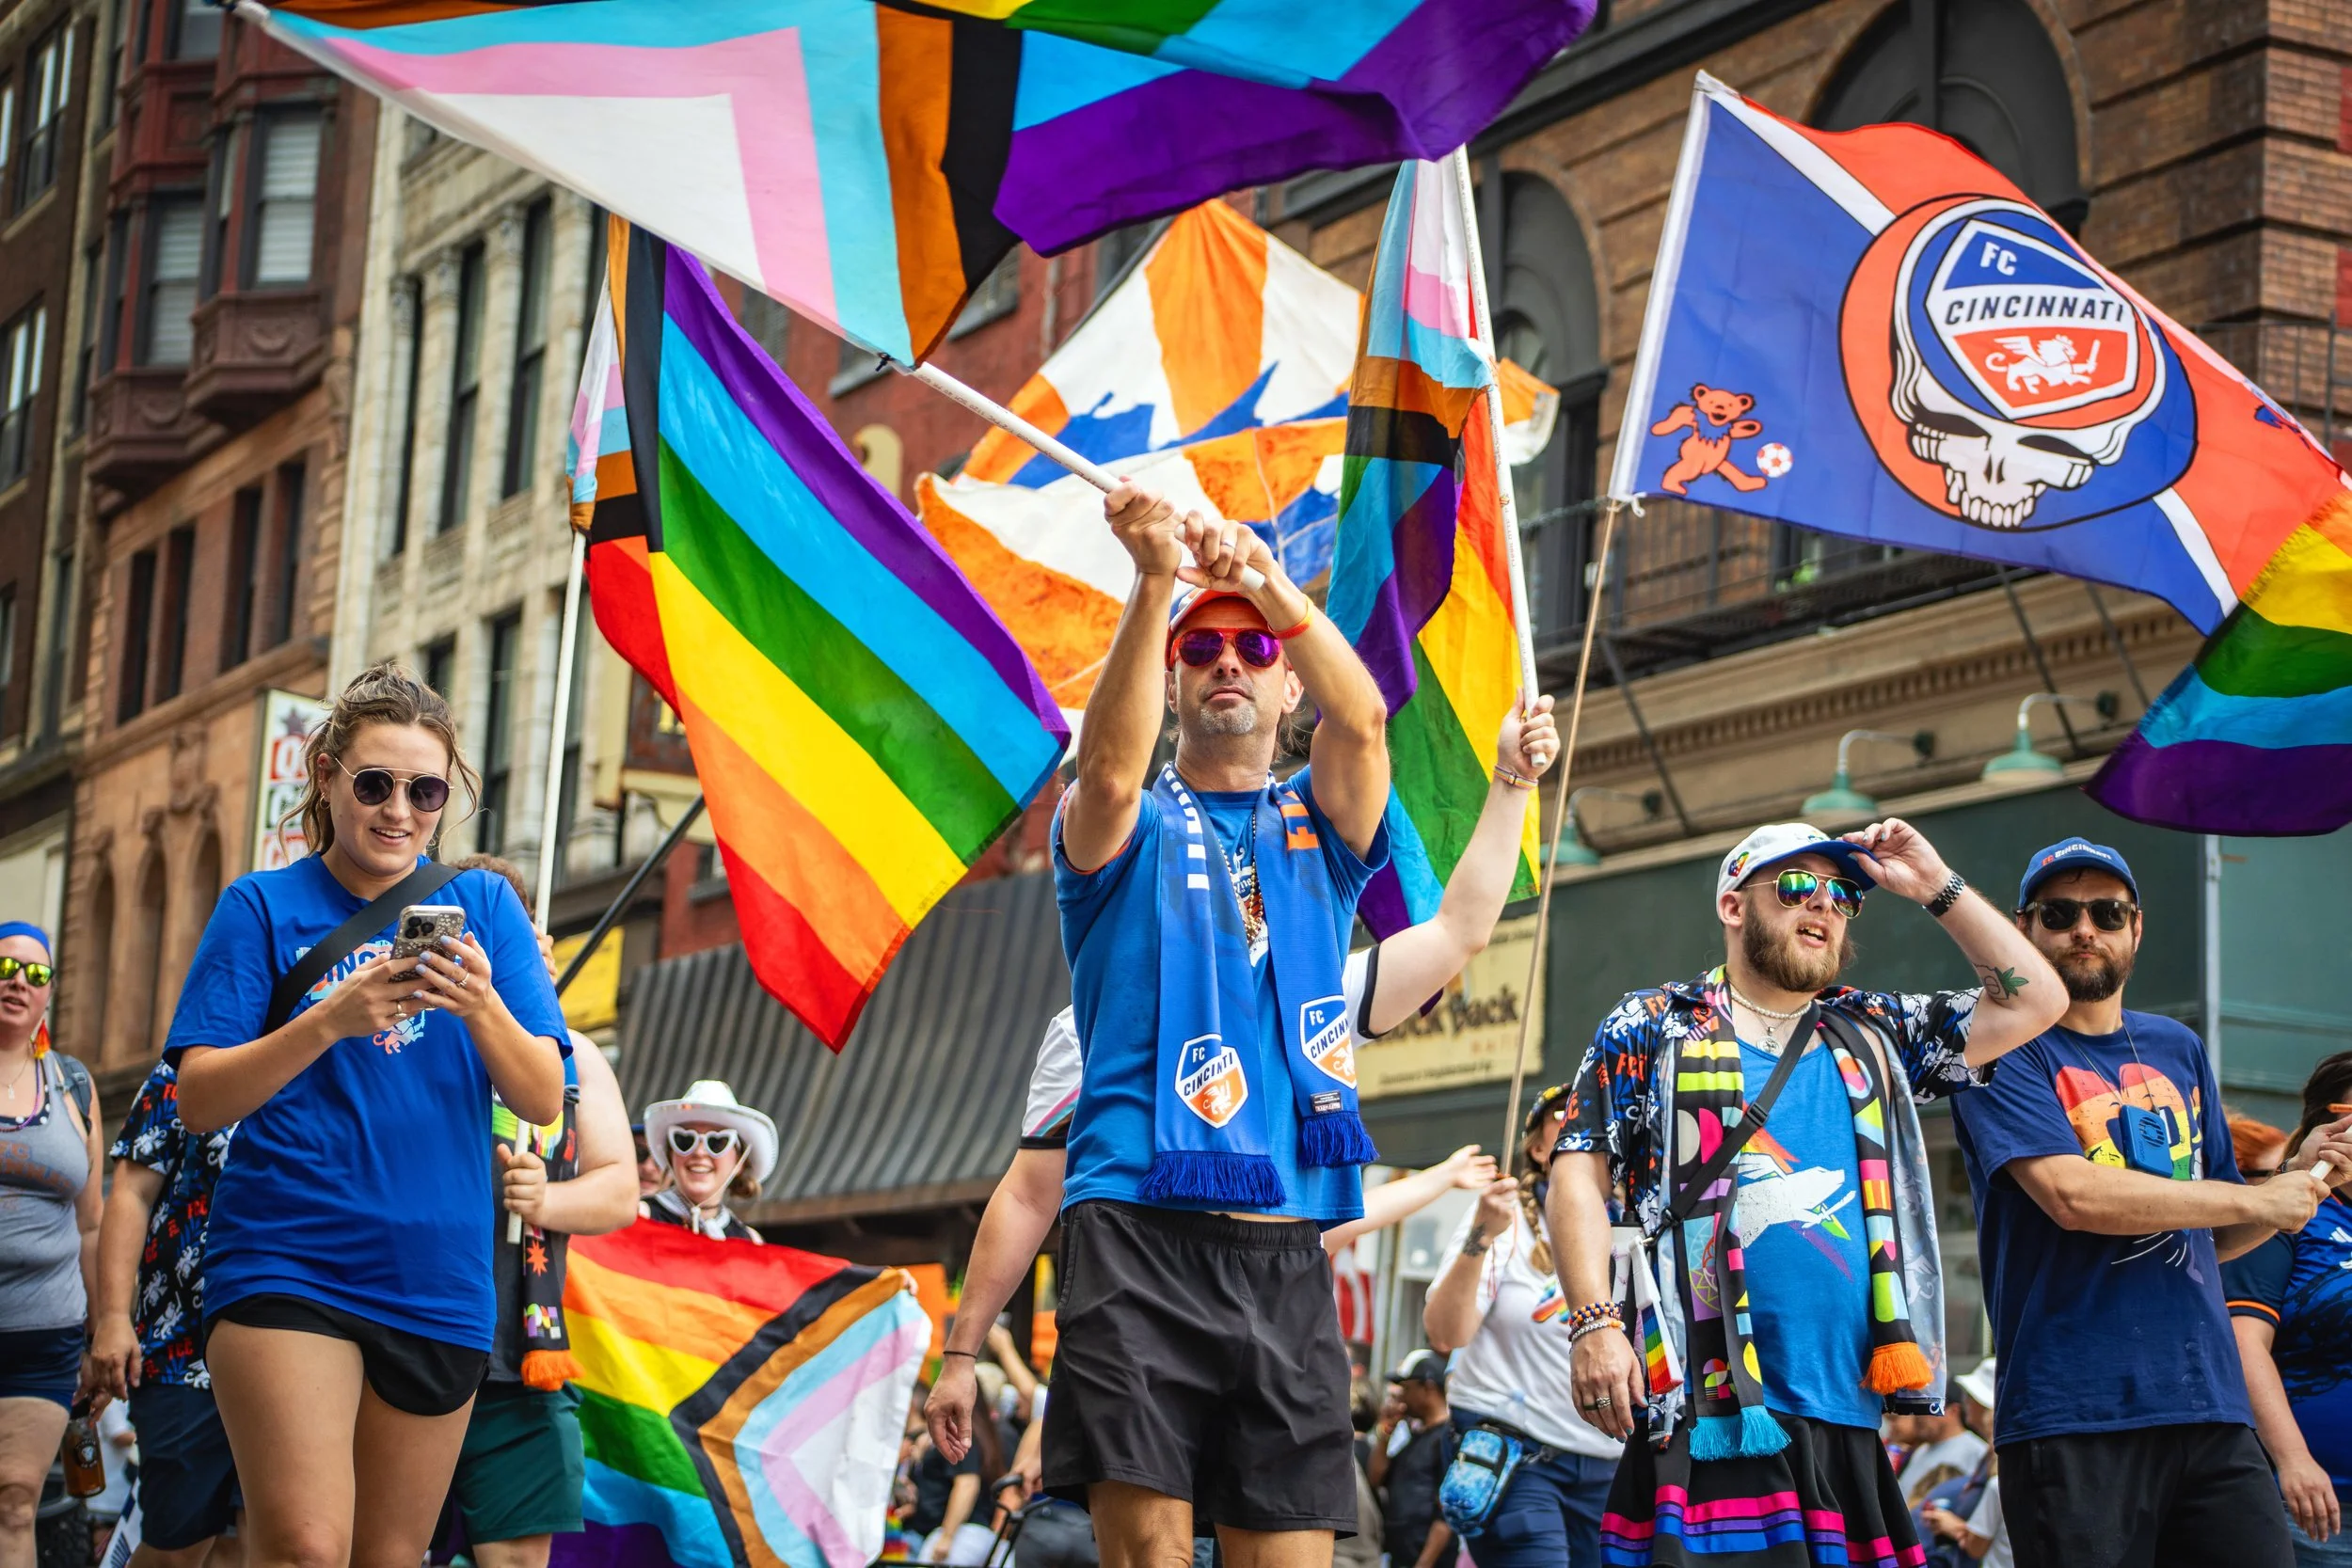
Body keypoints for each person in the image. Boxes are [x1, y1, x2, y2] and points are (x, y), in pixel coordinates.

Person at [930, 696, 1559, 1462]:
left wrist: (1510, 781)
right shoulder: (1093, 1028)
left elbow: (1459, 930)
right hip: (1143, 1288)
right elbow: (1030, 1190)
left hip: (1278, 1308)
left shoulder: (1310, 1003)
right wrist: (961, 1354)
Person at [1025, 477, 1402, 1562]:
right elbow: (1104, 766)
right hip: (1134, 1226)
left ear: (1289, 688)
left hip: (1284, 1246)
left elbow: (1367, 717)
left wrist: (1267, 582)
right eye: (1201, 652)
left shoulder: (1324, 829)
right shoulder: (1121, 828)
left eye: (1251, 649)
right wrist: (1155, 586)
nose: (1227, 660)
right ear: (1174, 685)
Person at [1550, 819, 2068, 1568]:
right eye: (1795, 886)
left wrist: (1934, 885)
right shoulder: (1653, 1024)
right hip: (1707, 1411)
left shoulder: (1872, 1031)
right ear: (1734, 905)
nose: (1822, 905)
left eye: (1843, 895)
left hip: (1845, 1414)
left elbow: (2036, 1001)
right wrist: (1594, 1322)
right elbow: (1578, 1167)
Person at [166, 660, 570, 1568]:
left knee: (388, 1559)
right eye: (375, 783)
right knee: (307, 1546)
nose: (399, 809)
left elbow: (542, 1096)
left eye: (424, 790)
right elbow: (198, 1099)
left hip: (437, 1277)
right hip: (287, 1256)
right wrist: (328, 1022)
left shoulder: (486, 905)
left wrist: (483, 1005)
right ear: (327, 778)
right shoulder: (259, 906)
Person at [1949, 837, 2349, 1568]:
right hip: (2074, 1412)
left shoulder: (2178, 1047)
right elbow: (2072, 1195)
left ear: (2138, 928)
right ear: (2023, 927)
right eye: (2060, 912)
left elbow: (2215, 1231)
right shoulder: (1996, 1046)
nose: (2084, 929)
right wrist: (2261, 1197)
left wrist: (2302, 1175)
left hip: (2209, 1404)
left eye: (2107, 912)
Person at [437, 856, 640, 1568]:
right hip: (407, 1332)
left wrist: (546, 1197)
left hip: (519, 1355)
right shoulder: (414, 1040)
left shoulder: (577, 1057)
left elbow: (621, 1189)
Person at [1422, 1083, 1621, 1568]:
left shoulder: (1641, 1226)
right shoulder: (1506, 1219)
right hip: (1515, 1454)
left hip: (1608, 1466)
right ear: (1537, 1147)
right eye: (1566, 1114)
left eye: (1599, 1114)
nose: (1584, 1121)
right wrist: (1481, 1236)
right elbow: (1446, 1335)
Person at [89, 1050, 242, 1568]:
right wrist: (111, 1316)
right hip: (184, 1354)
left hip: (301, 1341)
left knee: (260, 1545)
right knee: (178, 1547)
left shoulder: (334, 1061)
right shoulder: (187, 1066)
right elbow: (131, 1192)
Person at [0, 921, 102, 1568]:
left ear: (50, 994)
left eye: (35, 974)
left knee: (15, 1500)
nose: (17, 982)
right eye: (5, 968)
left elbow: (91, 1223)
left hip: (45, 1333)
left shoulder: (73, 1084)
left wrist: (102, 1331)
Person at [2226, 1055, 2352, 1567]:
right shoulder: (2284, 1215)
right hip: (2320, 1506)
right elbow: (2242, 1341)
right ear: (2331, 1124)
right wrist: (2294, 1459)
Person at [639, 1080, 775, 1242]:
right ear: (671, 1155)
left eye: (717, 1142)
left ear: (740, 1162)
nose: (699, 1152)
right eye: (685, 1140)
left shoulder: (751, 1241)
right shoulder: (638, 1218)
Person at [1369, 1351, 1455, 1568]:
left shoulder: (1448, 1438)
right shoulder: (1415, 1437)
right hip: (1400, 1556)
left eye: (1407, 1389)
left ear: (1428, 1388)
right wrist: (1384, 1436)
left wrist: (1424, 1563)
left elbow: (1445, 1513)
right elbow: (1376, 1478)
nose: (1403, 1398)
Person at [1918, 1360, 2003, 1568]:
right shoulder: (1988, 1457)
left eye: (1972, 1397)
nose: (1966, 1402)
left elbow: (1982, 1539)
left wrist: (1954, 1527)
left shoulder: (1993, 1464)